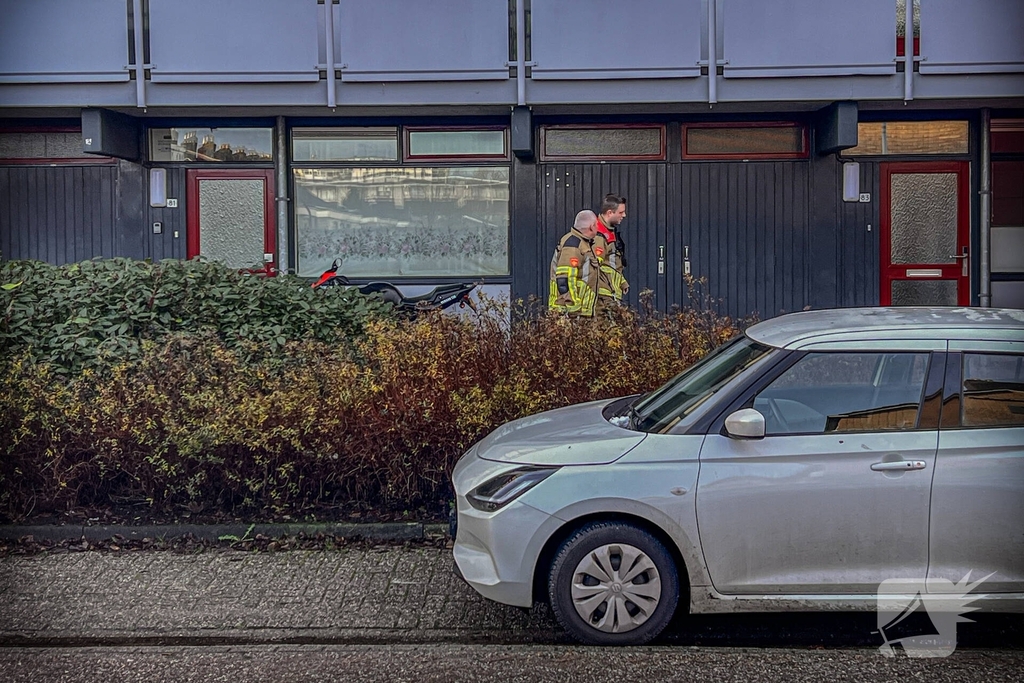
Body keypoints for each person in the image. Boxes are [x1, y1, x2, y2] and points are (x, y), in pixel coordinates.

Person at [548, 210, 600, 317]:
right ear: (592, 227)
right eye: (597, 225)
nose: (598, 228)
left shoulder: (583, 243)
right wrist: (573, 308)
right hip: (570, 313)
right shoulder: (573, 245)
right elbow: (564, 279)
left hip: (580, 312)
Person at [593, 194, 629, 309]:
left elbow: (611, 263)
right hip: (604, 295)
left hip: (610, 292)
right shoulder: (598, 235)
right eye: (621, 212)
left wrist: (622, 282)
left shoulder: (608, 231)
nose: (624, 215)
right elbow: (594, 267)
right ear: (610, 213)